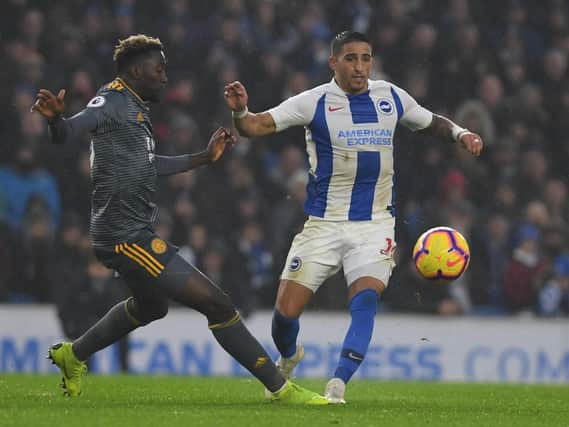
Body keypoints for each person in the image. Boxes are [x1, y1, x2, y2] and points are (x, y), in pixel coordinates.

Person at [31, 34, 327, 405]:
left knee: (152, 306)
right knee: (217, 304)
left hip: (129, 230)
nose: (165, 77)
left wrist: (202, 158)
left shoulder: (134, 106)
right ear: (137, 70)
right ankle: (280, 389)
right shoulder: (110, 100)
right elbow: (70, 129)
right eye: (159, 69)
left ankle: (72, 355)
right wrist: (57, 121)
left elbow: (147, 165)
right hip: (124, 236)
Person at [224, 30, 483, 403]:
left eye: (365, 58)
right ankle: (289, 354)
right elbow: (254, 126)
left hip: (375, 225)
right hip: (323, 224)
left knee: (365, 301)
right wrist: (240, 111)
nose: (360, 66)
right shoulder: (314, 102)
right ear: (334, 63)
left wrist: (461, 133)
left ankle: (338, 383)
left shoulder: (391, 97)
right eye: (351, 58)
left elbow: (430, 122)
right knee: (284, 314)